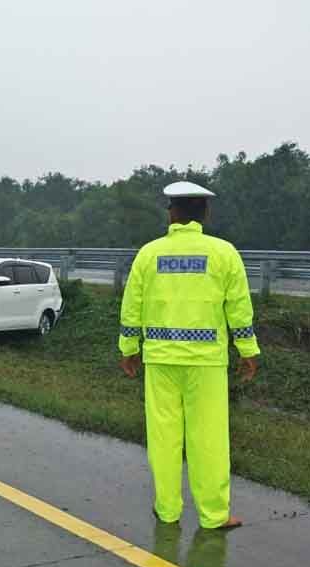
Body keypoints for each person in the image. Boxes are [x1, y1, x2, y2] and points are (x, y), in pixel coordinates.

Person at [118, 181, 259, 530]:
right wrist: (248, 351)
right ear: (205, 213)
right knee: (208, 439)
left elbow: (131, 307)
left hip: (160, 359)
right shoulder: (224, 253)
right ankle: (214, 515)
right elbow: (239, 309)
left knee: (164, 437)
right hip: (206, 362)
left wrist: (128, 349)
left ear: (172, 213)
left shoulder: (148, 254)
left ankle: (167, 511)